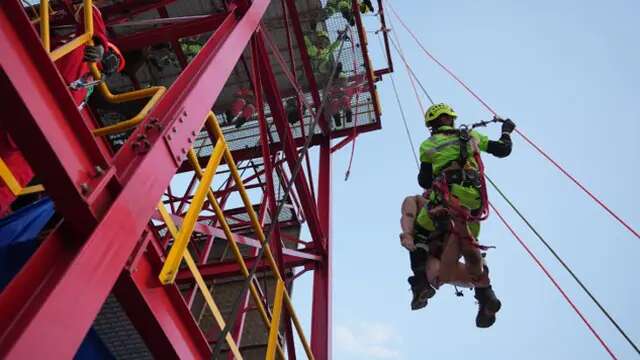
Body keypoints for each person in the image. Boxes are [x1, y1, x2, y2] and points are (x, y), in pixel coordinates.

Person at [402, 103, 515, 328]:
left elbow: (424, 181)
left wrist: (409, 235)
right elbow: (503, 149)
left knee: (421, 235)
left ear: (431, 126)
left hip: (447, 196)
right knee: (472, 250)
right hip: (474, 201)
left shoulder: (428, 145)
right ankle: (486, 296)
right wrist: (506, 131)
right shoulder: (470, 135)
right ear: (452, 120)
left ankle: (420, 283)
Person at [54, 0, 122, 105]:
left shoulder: (89, 44)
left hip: (62, 82)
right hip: (68, 94)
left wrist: (101, 47)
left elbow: (89, 11)